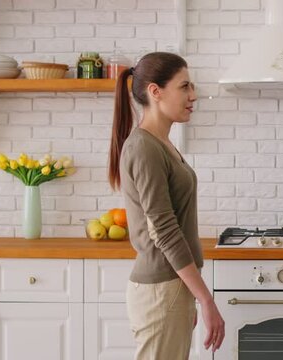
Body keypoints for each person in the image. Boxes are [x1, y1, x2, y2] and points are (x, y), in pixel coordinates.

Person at [108, 52, 225, 359]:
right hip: (162, 290)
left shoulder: (161, 144)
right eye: (184, 87)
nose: (193, 95)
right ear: (155, 92)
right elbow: (164, 230)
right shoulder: (144, 147)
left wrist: (189, 295)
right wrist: (205, 299)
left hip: (172, 287)